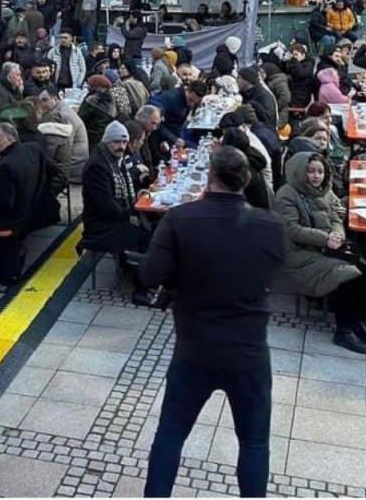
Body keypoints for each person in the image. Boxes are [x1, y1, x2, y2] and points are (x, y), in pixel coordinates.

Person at [139, 147, 287, 498]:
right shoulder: (271, 227)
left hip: (195, 348)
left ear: (210, 176)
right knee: (253, 442)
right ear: (247, 180)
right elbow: (274, 271)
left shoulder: (180, 219)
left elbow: (149, 274)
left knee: (171, 434)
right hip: (248, 351)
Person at [272, 152, 366, 354]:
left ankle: (358, 322)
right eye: (311, 171)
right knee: (347, 274)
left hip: (326, 247)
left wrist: (337, 236)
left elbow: (335, 219)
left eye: (320, 171)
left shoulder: (325, 191)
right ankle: (344, 329)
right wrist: (326, 239)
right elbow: (292, 230)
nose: (316, 176)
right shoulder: (287, 194)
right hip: (300, 254)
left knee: (362, 269)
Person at [81, 120, 151, 304]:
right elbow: (106, 206)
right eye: (116, 142)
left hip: (111, 219)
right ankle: (140, 291)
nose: (121, 146)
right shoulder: (98, 166)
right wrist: (132, 212)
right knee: (144, 237)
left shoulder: (112, 160)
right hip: (100, 227)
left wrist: (136, 202)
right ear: (106, 142)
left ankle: (139, 274)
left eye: (123, 142)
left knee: (148, 229)